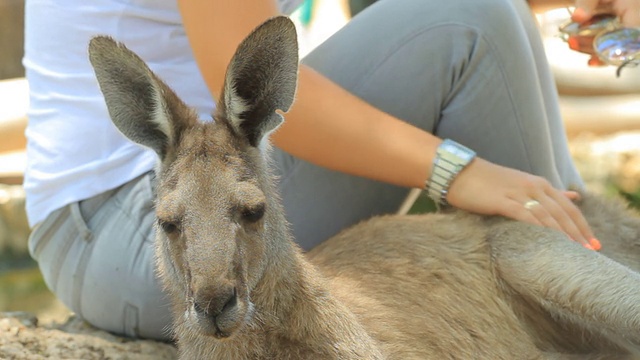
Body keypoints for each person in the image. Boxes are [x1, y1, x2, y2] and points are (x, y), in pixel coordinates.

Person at [22, 0, 640, 340]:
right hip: (142, 220)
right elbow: (231, 74)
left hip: (191, 183)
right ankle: (588, 296)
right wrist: (453, 170)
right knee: (470, 24)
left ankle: (594, 284)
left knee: (490, 13)